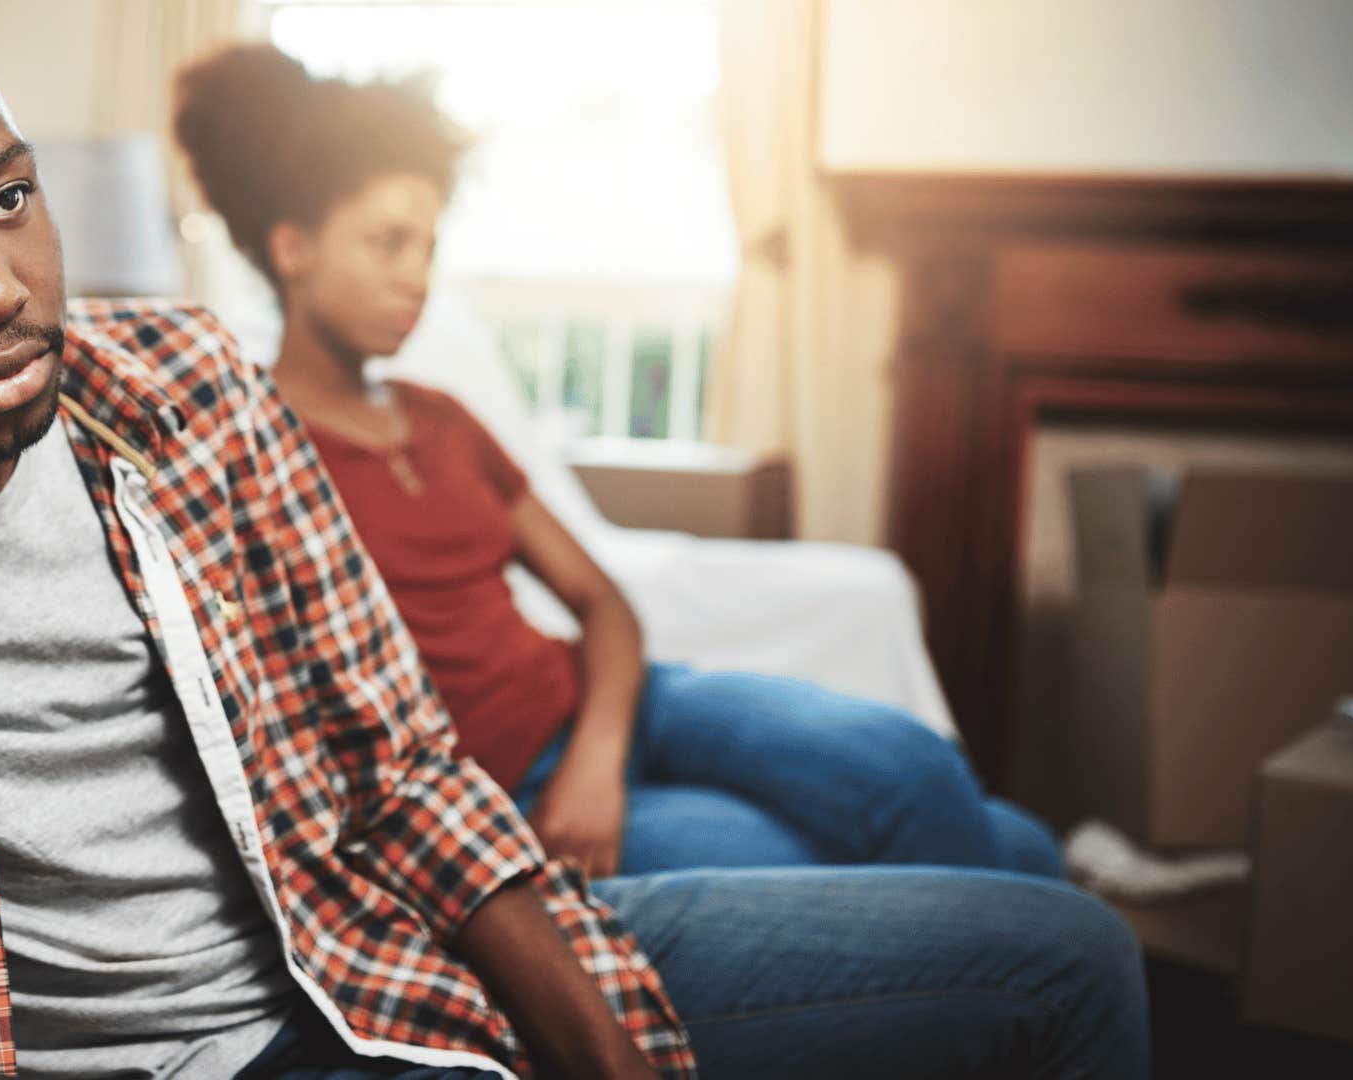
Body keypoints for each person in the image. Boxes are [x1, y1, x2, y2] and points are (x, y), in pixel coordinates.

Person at [0, 4, 1146, 1077]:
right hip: (224, 1057)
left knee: (1066, 956)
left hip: (386, 950)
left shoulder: (183, 386)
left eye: (9, 196)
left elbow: (402, 774)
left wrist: (601, 1058)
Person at [173, 45, 1065, 883]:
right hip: (515, 789)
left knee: (921, 767)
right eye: (387, 243)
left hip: (630, 705)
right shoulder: (256, 444)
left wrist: (598, 757)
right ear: (292, 249)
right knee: (986, 855)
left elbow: (603, 602)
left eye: (430, 248)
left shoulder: (440, 418)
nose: (417, 277)